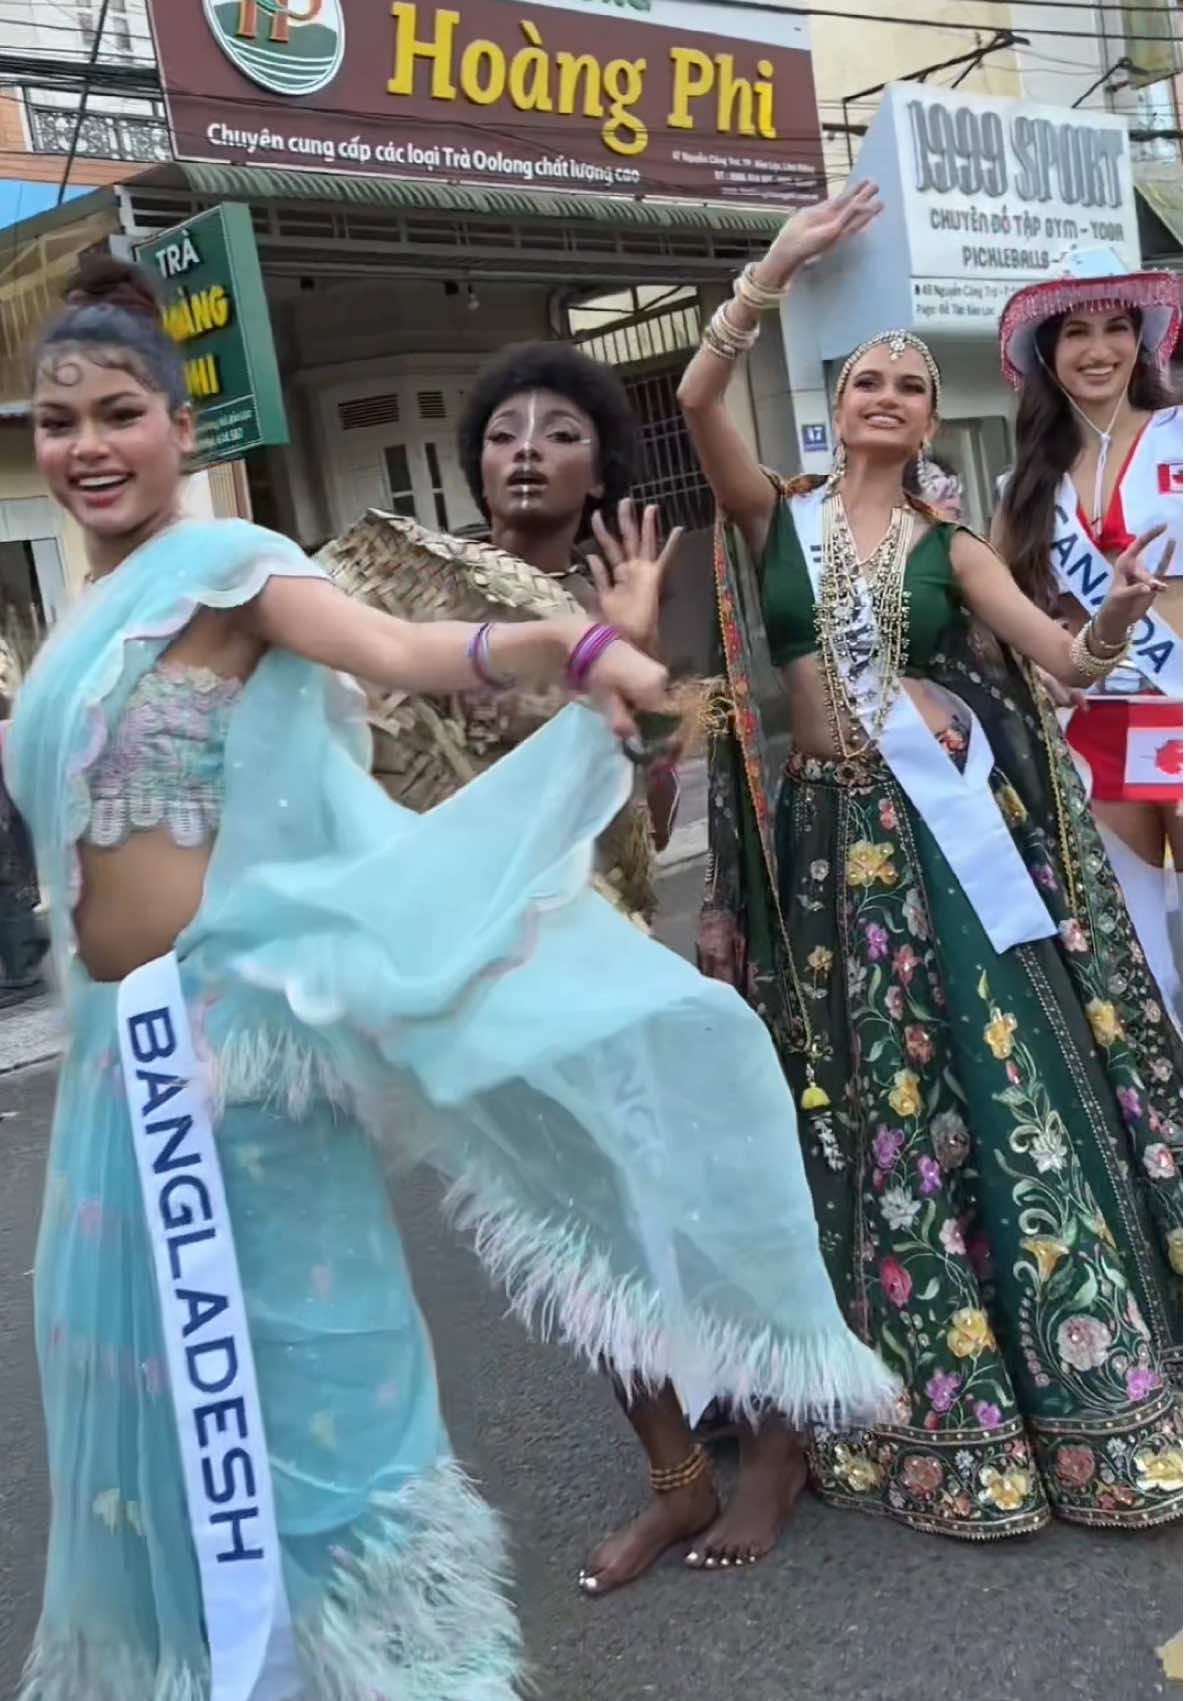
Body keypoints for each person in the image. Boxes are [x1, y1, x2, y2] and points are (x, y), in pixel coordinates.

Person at [9, 259, 898, 1698]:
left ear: (184, 427)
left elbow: (413, 652)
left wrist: (572, 641)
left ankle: (406, 1661)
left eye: (123, 412)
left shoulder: (237, 573)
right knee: (148, 1398)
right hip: (120, 1071)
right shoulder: (66, 634)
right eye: (60, 424)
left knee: (308, 1379)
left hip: (246, 1059)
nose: (91, 446)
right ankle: (224, 1667)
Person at [677, 183, 1183, 1540]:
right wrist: (774, 265)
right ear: (835, 406)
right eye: (868, 381)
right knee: (852, 1100)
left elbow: (1055, 654)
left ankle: (1062, 1392)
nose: (891, 395)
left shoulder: (950, 549)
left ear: (927, 416)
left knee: (981, 1078)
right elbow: (692, 399)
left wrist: (1114, 622)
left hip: (936, 850)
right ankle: (901, 1379)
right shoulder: (767, 518)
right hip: (819, 851)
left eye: (910, 381)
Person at [995, 249, 1183, 1023]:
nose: (1098, 348)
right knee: (1136, 951)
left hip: (1183, 701)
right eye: (1076, 331)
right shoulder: (1029, 483)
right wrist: (1039, 661)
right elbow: (1002, 602)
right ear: (1047, 353)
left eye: (1116, 327)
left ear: (1143, 340)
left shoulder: (1180, 432)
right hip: (1101, 721)